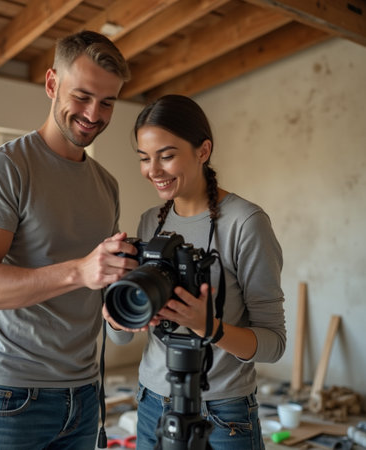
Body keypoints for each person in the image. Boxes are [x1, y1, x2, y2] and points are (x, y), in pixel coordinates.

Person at [0, 30, 137, 450]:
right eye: (82, 96)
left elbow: (98, 287)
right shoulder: (5, 169)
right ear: (52, 84)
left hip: (85, 397)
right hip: (11, 398)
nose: (94, 114)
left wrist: (126, 307)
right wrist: (80, 269)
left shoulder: (106, 185)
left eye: (108, 102)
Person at [104, 94, 286, 449]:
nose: (153, 171)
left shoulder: (245, 223)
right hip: (152, 402)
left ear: (203, 151)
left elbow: (273, 344)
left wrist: (211, 328)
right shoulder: (149, 222)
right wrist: (115, 311)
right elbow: (121, 337)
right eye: (144, 158)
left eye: (167, 156)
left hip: (223, 411)